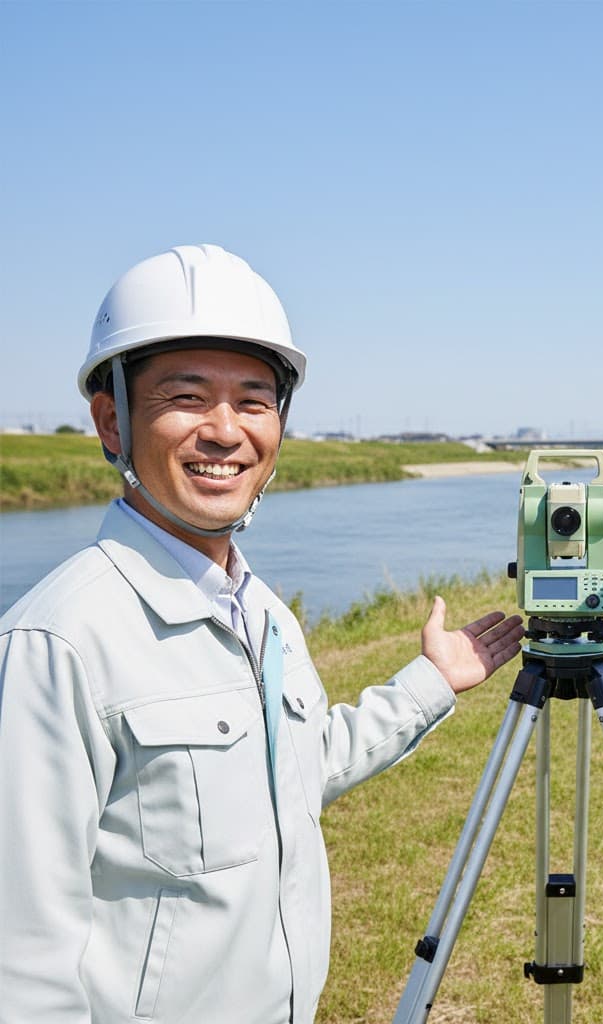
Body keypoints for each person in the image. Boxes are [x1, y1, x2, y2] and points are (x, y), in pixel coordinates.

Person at [0, 244, 524, 1023]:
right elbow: (23, 962)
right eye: (186, 397)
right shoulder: (57, 643)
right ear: (112, 420)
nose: (224, 431)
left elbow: (292, 774)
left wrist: (430, 684)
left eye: (254, 401)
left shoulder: (261, 611)